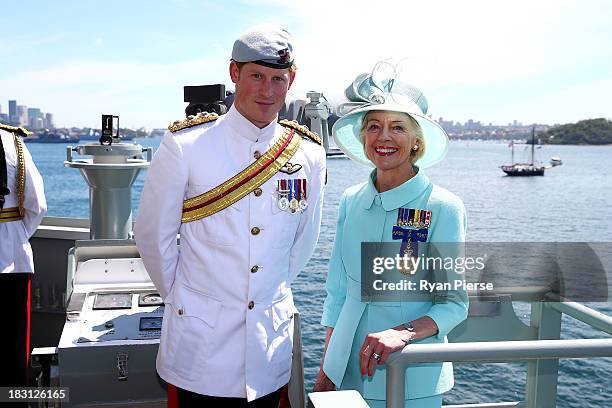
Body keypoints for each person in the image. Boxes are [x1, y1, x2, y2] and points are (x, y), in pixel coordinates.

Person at [135, 24, 326, 407]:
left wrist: (267, 291)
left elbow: (304, 241)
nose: (268, 91)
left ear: (292, 80)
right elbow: (152, 237)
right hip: (200, 345)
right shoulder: (186, 145)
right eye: (257, 76)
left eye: (278, 79)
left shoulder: (307, 154)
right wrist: (183, 296)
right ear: (234, 73)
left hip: (267, 346)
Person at [313, 71, 468, 408]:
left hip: (412, 375)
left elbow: (454, 305)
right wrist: (328, 367)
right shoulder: (351, 200)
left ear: (416, 140)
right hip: (347, 369)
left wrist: (403, 333)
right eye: (374, 126)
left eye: (397, 127)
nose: (384, 137)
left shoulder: (443, 207)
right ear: (363, 137)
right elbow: (337, 294)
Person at [0, 123, 47, 391]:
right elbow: (36, 205)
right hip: (10, 260)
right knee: (13, 352)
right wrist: (15, 237)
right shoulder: (11, 143)